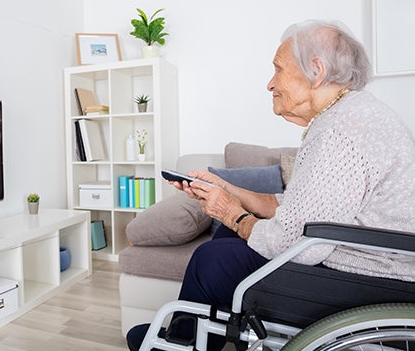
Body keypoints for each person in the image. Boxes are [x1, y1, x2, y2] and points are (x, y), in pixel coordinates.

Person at [127, 19, 415, 350]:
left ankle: (183, 341)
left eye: (278, 69)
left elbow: (291, 239)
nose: (270, 83)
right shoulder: (352, 115)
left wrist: (230, 212)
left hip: (368, 277)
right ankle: (192, 338)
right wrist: (227, 188)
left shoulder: (340, 132)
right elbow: (293, 208)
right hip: (366, 262)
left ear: (316, 71)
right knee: (223, 235)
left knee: (211, 258)